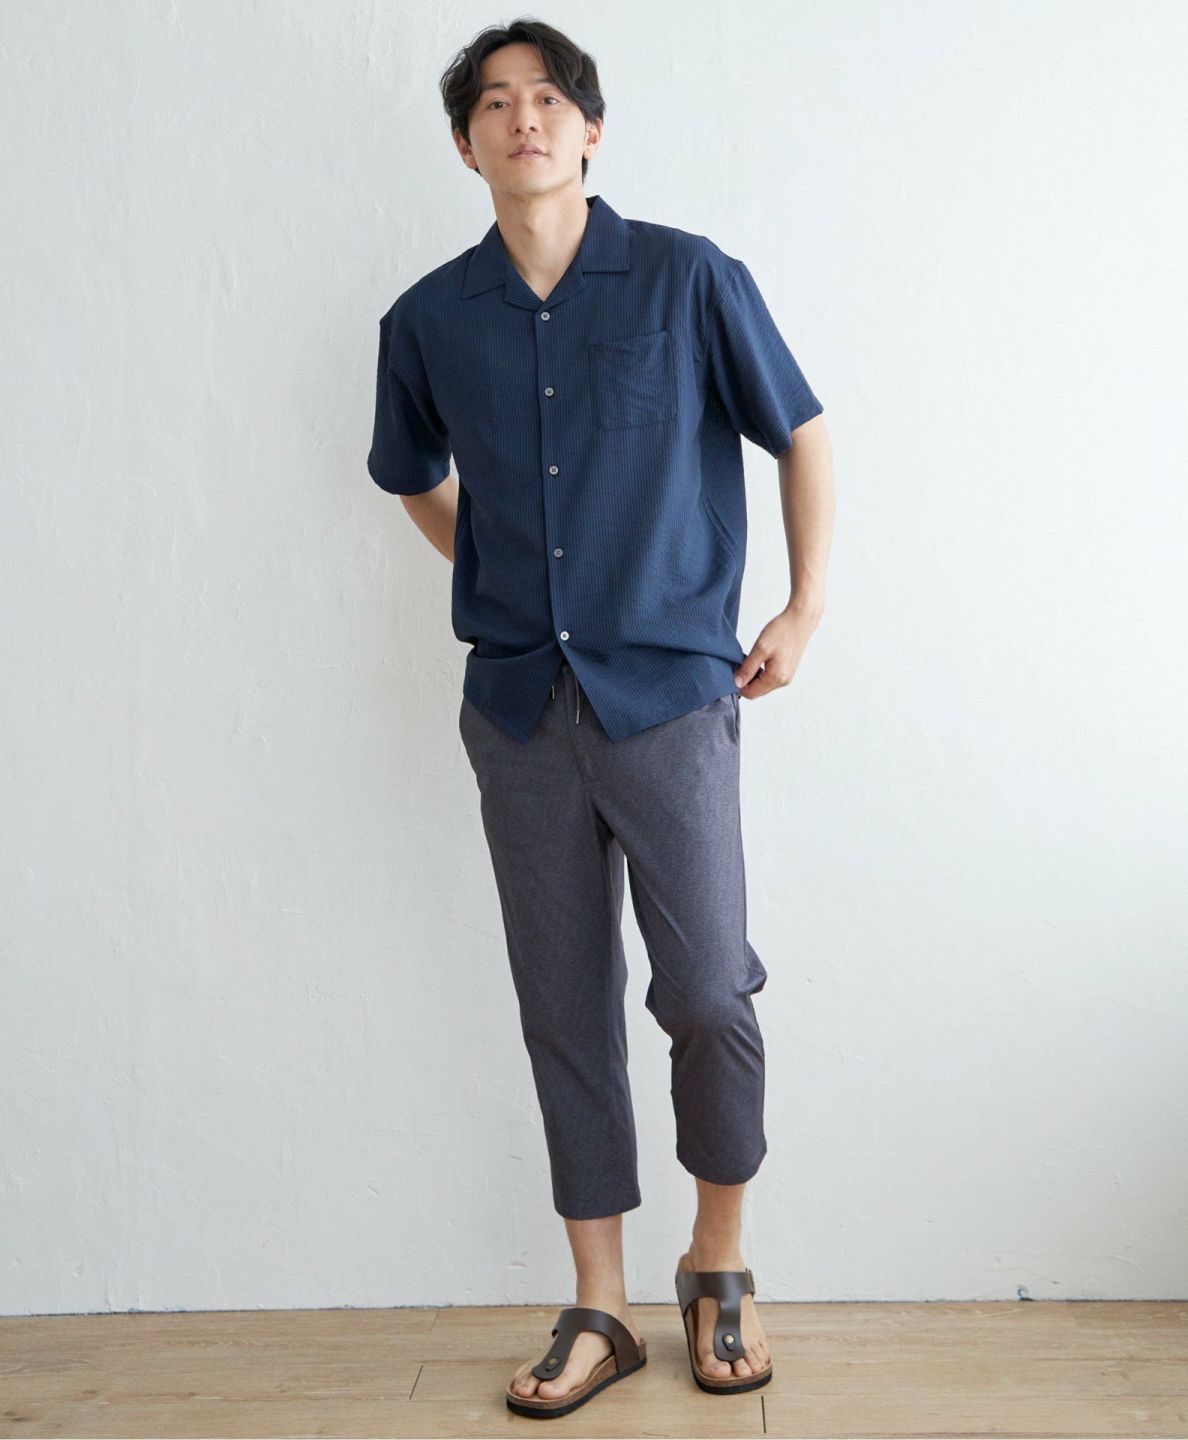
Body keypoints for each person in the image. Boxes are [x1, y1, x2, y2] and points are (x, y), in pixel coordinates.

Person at [368, 17, 835, 1420]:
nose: (524, 118)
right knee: (562, 1006)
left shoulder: (689, 279)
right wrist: (507, 575)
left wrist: (802, 610)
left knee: (708, 991)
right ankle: (601, 1304)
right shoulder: (428, 320)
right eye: (494, 104)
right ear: (466, 144)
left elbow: (800, 430)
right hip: (520, 710)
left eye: (549, 98)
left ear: (591, 129)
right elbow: (411, 474)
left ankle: (718, 1260)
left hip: (673, 700)